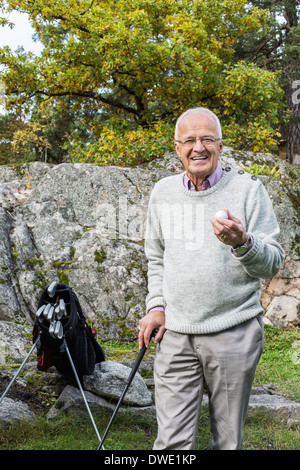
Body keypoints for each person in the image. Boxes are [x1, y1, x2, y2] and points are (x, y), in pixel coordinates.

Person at [138, 107, 285, 450]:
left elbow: (272, 262)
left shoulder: (248, 190)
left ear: (220, 146)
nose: (198, 147)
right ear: (177, 148)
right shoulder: (163, 193)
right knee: (171, 444)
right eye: (189, 140)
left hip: (234, 333)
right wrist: (156, 306)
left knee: (228, 442)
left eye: (206, 138)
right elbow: (156, 258)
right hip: (175, 336)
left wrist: (243, 243)